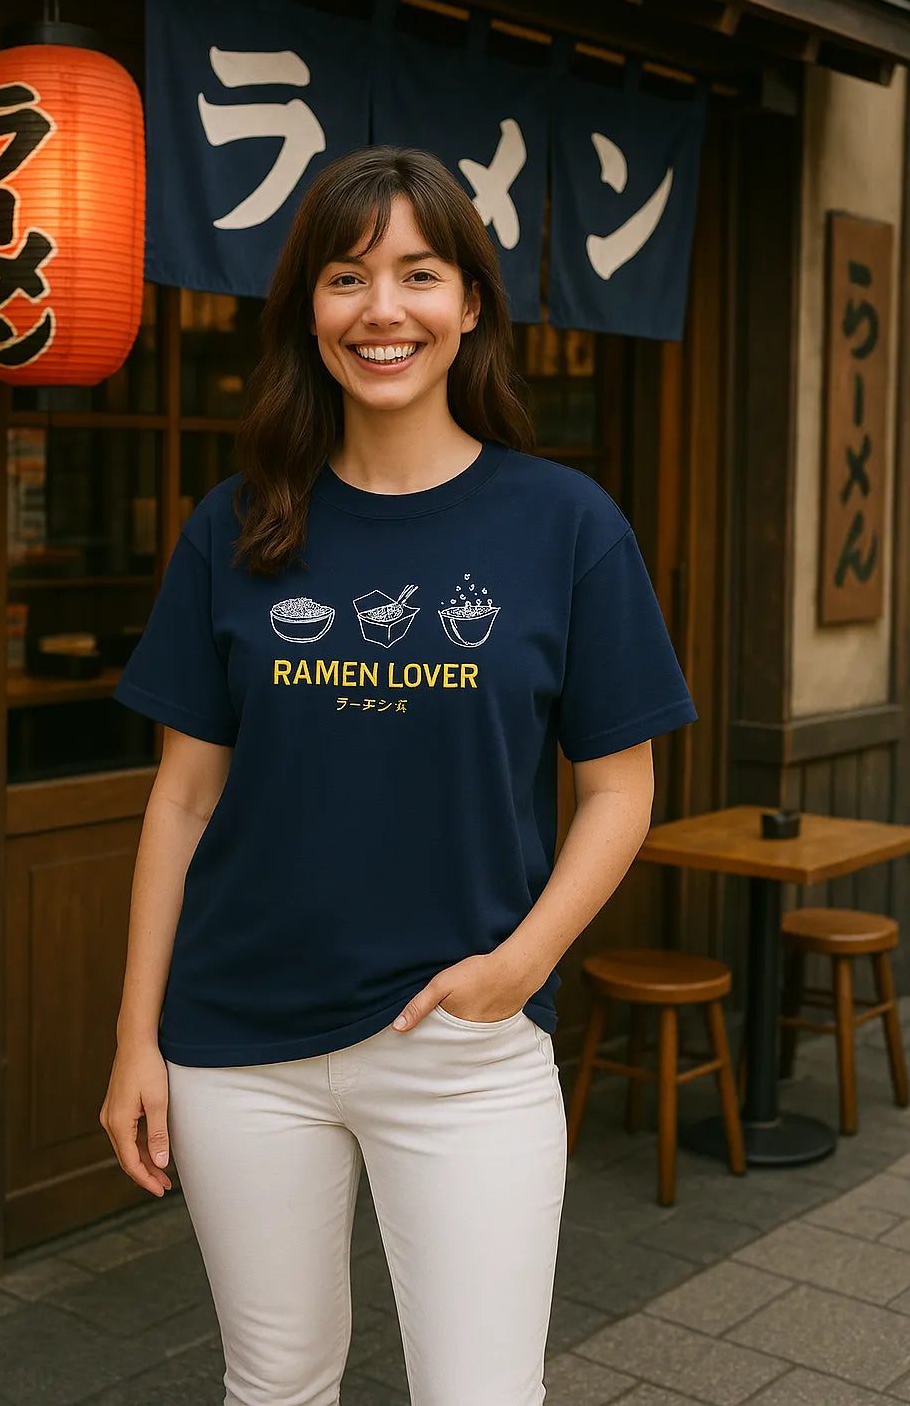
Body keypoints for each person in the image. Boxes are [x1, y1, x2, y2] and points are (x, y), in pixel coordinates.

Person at [100, 144, 698, 1406]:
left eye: (418, 275)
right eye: (344, 277)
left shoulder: (564, 525)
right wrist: (134, 1039)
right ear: (305, 311)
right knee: (274, 1384)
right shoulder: (238, 523)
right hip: (238, 1046)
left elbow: (618, 788)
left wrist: (519, 969)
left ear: (470, 303)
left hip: (461, 1045)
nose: (382, 311)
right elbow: (183, 797)